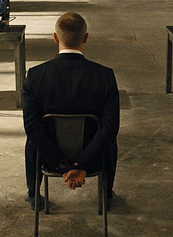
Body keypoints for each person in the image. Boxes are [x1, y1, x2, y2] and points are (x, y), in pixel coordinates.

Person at [23, 12, 119, 211]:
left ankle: (33, 194)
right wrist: (81, 163)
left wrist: (62, 165)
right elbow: (110, 128)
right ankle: (106, 194)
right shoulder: (104, 76)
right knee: (109, 137)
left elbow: (32, 127)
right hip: (93, 160)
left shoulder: (35, 76)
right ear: (86, 38)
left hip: (50, 160)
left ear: (56, 38)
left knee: (33, 137)